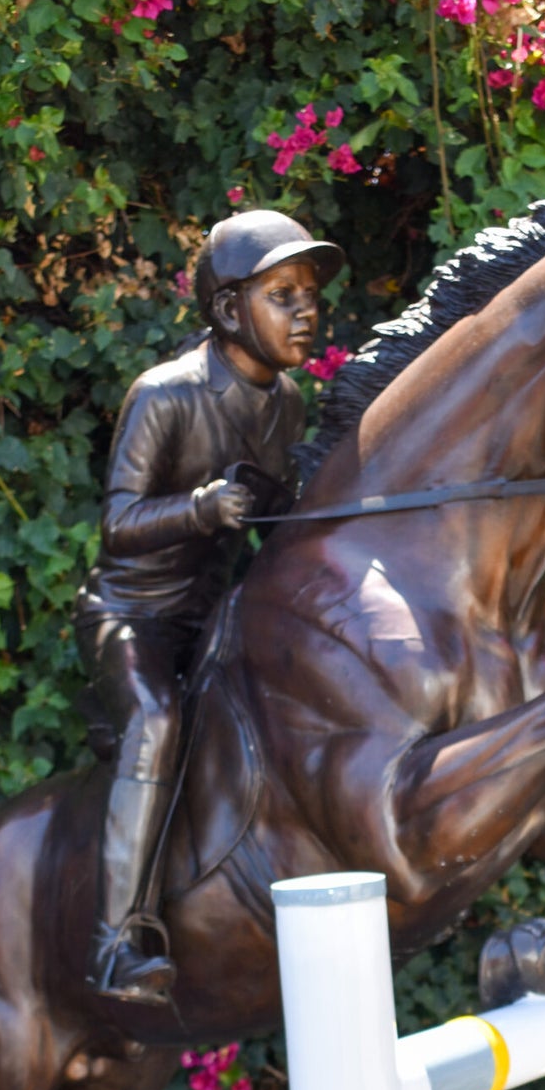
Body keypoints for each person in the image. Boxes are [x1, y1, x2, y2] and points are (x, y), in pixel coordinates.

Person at [74, 209, 344, 1002]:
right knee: (156, 719)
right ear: (229, 310)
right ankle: (117, 942)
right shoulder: (165, 394)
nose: (305, 311)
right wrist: (200, 508)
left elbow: (270, 525)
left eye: (308, 295)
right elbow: (117, 524)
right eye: (281, 294)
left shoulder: (288, 403)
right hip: (132, 618)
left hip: (215, 616)